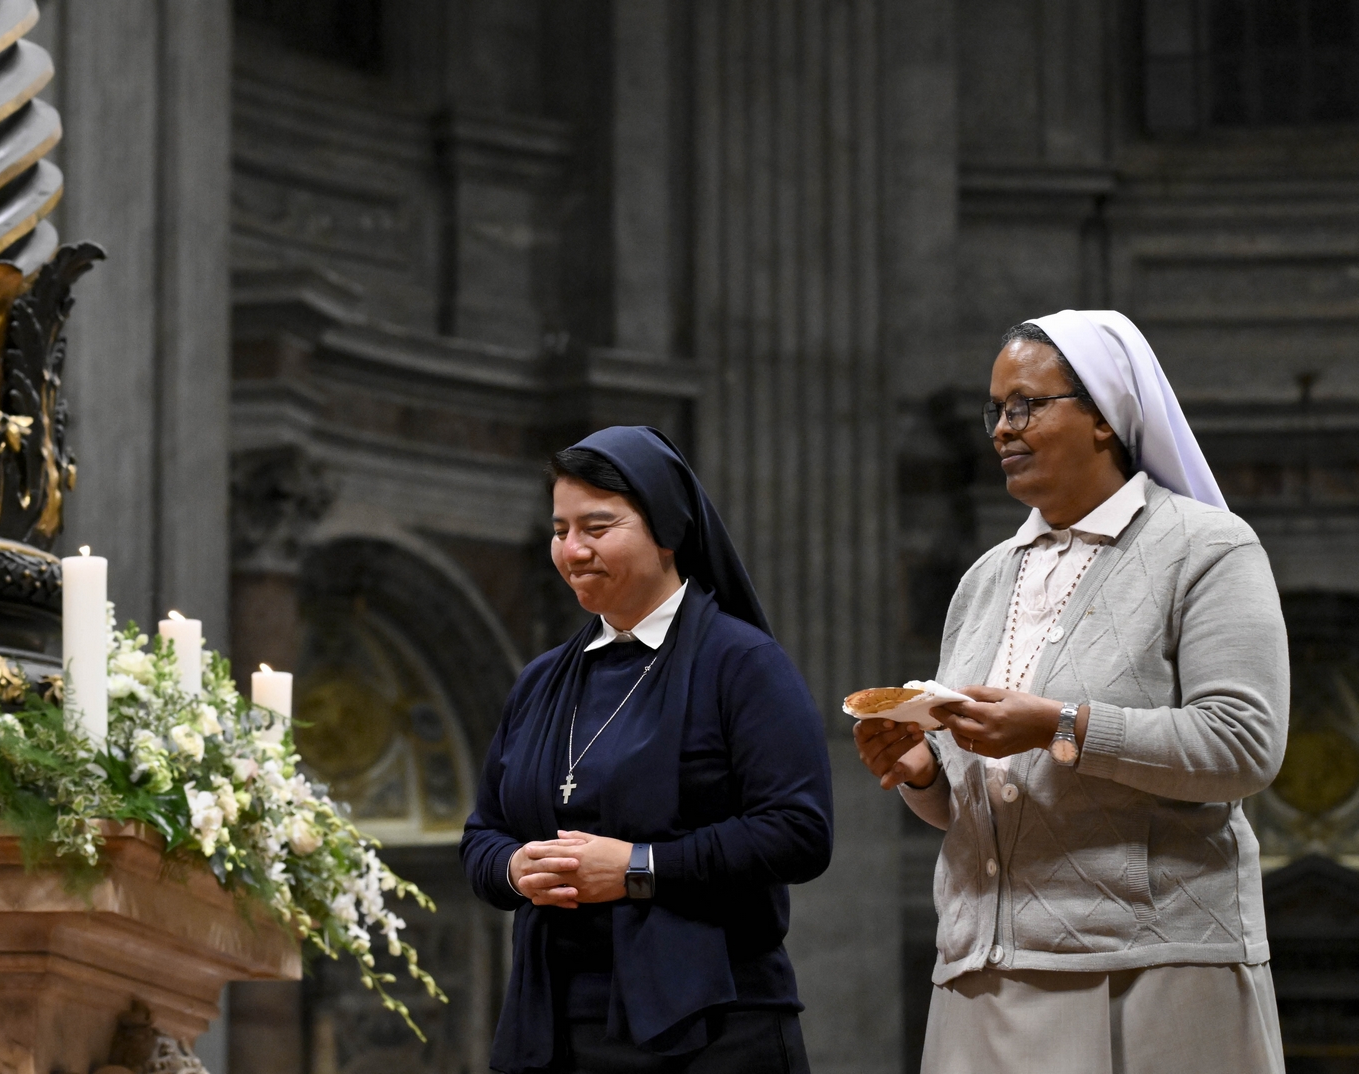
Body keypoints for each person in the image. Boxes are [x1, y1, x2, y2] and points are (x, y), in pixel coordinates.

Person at [856, 311, 1288, 1073]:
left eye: (1025, 405)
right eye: (995, 410)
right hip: (981, 975)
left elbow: (1244, 744)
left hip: (1151, 972)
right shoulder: (985, 580)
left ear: (1103, 416)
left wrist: (1061, 725)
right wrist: (923, 770)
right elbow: (984, 794)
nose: (1001, 430)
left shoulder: (1207, 547)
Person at [462, 426, 833, 1074]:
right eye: (559, 529)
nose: (572, 550)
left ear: (667, 529)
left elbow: (799, 832)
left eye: (596, 527)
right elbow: (480, 836)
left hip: (713, 1029)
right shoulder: (542, 681)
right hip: (554, 1031)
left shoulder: (741, 663)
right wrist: (516, 868)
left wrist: (640, 867)